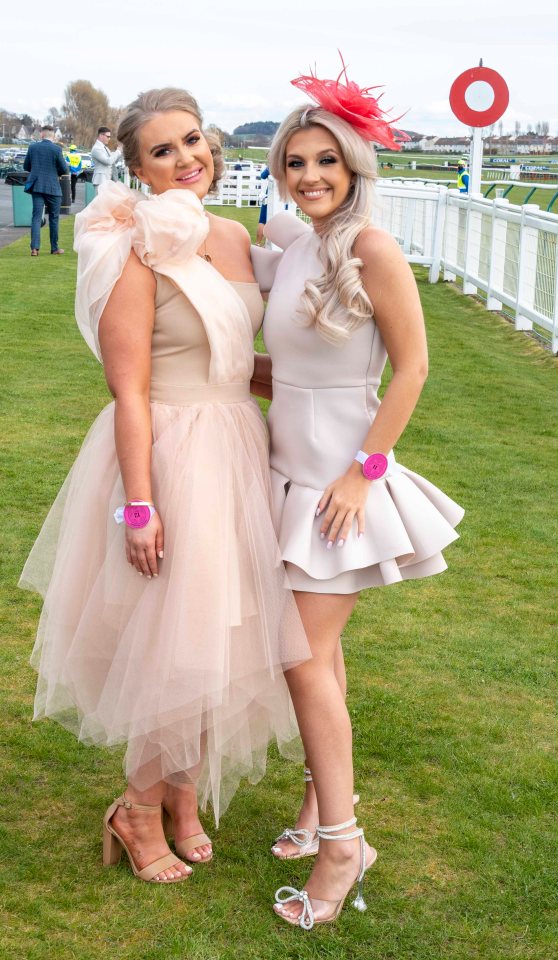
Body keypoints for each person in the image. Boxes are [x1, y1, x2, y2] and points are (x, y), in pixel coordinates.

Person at [19, 87, 310, 885]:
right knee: (174, 642)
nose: (187, 160)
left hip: (237, 448)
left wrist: (319, 391)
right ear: (138, 167)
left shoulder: (233, 233)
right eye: (163, 151)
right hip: (170, 454)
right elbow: (132, 389)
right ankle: (137, 809)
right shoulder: (133, 245)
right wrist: (140, 505)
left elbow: (235, 361)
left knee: (224, 632)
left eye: (194, 141)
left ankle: (183, 798)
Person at [250, 60, 464, 929]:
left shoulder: (372, 247)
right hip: (286, 469)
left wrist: (362, 473)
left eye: (325, 163)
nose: (309, 178)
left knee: (301, 658)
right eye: (295, 163)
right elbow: (283, 372)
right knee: (319, 657)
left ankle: (344, 843)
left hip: (346, 482)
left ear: (354, 168)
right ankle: (317, 806)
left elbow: (412, 368)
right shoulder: (291, 241)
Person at [23, 124, 67, 256]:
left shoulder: (33, 147)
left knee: (36, 217)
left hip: (37, 186)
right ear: (53, 136)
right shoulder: (57, 149)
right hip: (53, 186)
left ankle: (34, 248)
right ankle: (54, 248)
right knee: (54, 217)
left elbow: (26, 166)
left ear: (41, 134)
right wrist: (55, 173)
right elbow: (64, 169)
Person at [91, 126, 122, 191]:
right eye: (108, 136)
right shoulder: (96, 148)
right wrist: (117, 152)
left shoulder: (105, 148)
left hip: (107, 180)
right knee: (101, 201)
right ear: (101, 135)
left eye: (109, 137)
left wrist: (119, 151)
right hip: (100, 180)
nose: (109, 139)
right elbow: (108, 161)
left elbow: (113, 162)